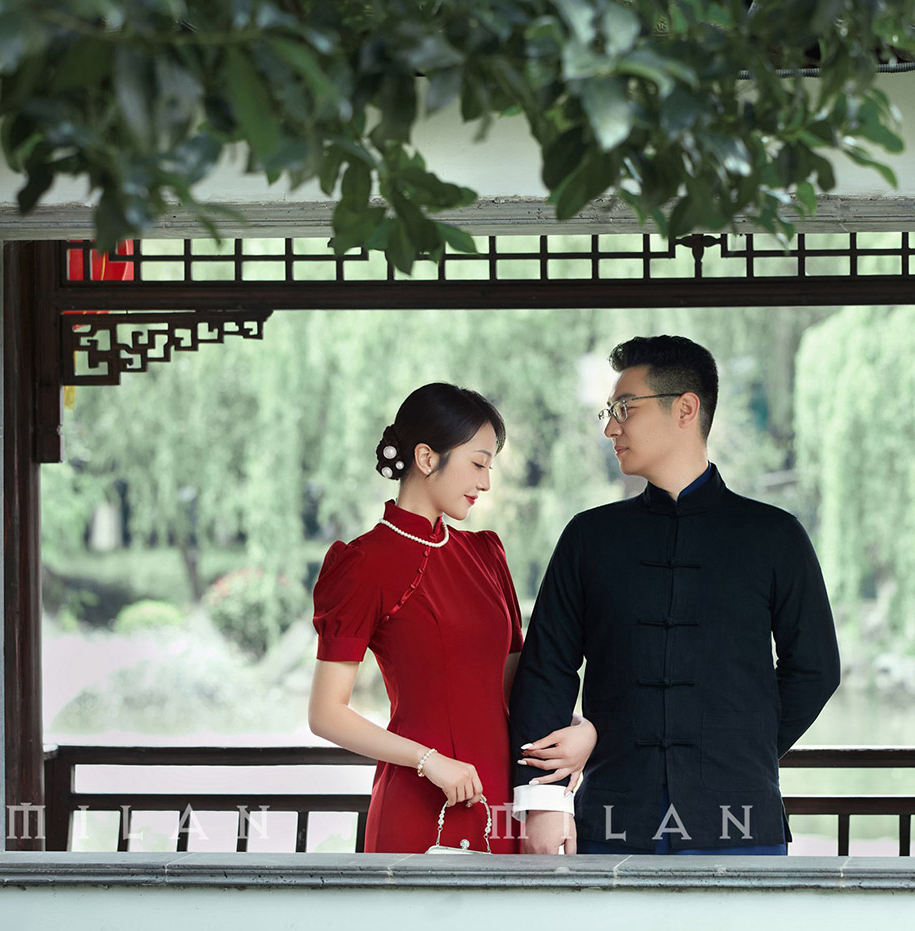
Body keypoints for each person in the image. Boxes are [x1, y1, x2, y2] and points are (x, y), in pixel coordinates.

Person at [509, 336, 841, 856]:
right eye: (608, 411)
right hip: (612, 819)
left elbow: (816, 670)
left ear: (685, 408)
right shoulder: (589, 537)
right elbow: (545, 672)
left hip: (740, 822)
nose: (610, 427)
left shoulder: (775, 536)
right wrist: (544, 803)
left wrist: (740, 749)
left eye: (624, 408)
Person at [308, 383, 596, 854]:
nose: (486, 483)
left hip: (500, 800)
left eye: (490, 467)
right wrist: (429, 761)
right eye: (478, 464)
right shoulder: (364, 563)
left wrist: (580, 727)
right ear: (426, 458)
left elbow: (518, 687)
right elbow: (326, 714)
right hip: (421, 801)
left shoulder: (485, 555)